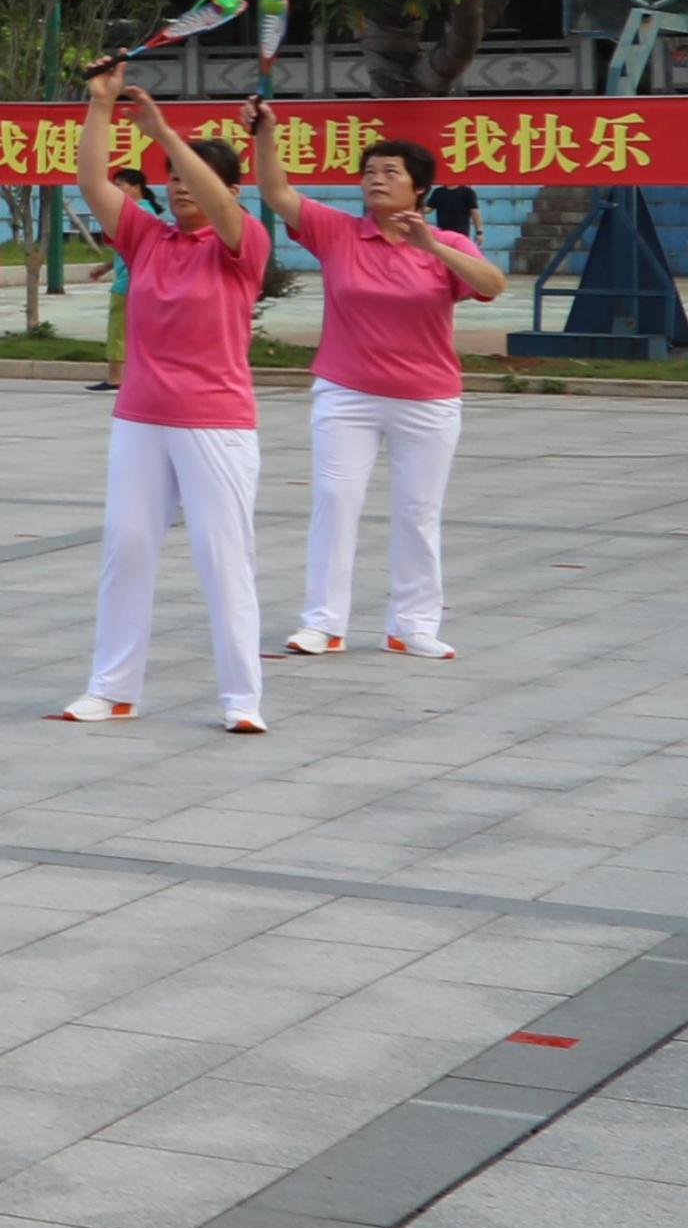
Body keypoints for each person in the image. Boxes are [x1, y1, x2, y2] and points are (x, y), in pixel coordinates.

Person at [61, 72, 275, 735]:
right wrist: (101, 105)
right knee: (126, 547)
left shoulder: (243, 246)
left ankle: (242, 698)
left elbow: (220, 204)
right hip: (141, 418)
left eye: (197, 176)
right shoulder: (149, 239)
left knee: (222, 557)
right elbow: (95, 184)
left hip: (216, 422)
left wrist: (167, 135)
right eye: (173, 175)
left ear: (229, 191)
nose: (180, 183)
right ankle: (112, 686)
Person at [286, 134, 505, 661]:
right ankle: (323, 623)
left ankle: (412, 625)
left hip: (427, 399)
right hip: (346, 393)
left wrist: (432, 246)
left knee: (418, 511)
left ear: (419, 188)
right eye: (369, 171)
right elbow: (277, 192)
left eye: (390, 172)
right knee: (335, 502)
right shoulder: (337, 232)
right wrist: (267, 133)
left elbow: (492, 285)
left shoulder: (447, 242)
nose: (376, 179)